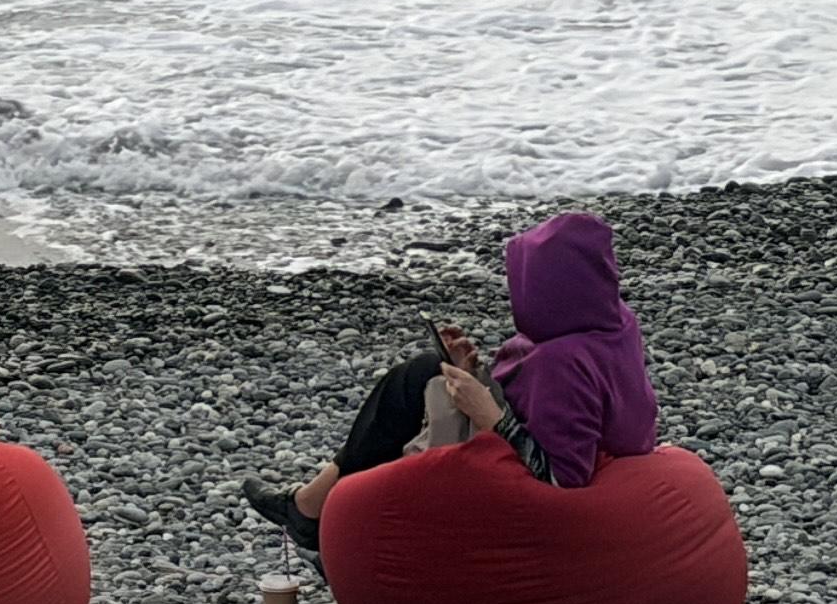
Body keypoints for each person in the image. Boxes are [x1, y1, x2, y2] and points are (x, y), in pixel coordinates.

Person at [243, 210, 657, 552]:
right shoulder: (612, 323)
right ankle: (312, 510)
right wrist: (473, 373)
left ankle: (318, 516)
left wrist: (490, 414)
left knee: (413, 393)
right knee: (425, 374)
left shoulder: (562, 363)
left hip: (541, 504)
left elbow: (561, 479)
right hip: (596, 466)